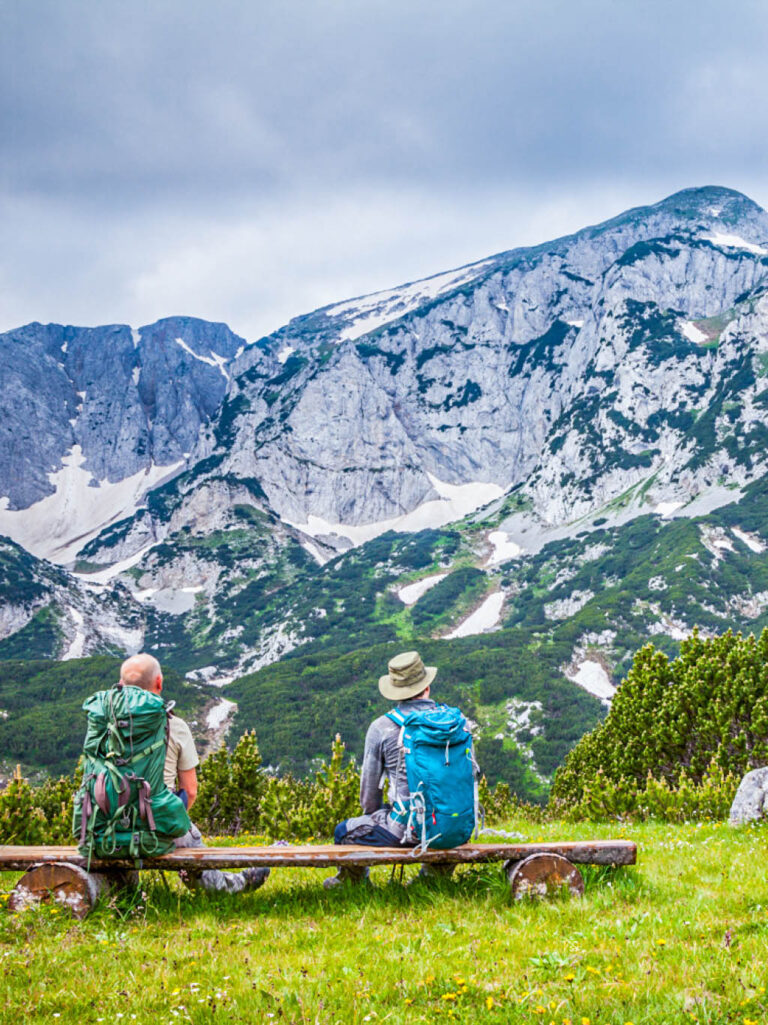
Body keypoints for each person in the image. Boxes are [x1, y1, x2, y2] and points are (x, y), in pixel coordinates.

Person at [119, 653, 269, 894]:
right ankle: (235, 885)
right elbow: (190, 791)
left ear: (121, 684)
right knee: (190, 847)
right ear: (159, 682)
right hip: (157, 822)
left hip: (107, 824)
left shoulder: (103, 724)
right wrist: (171, 819)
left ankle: (123, 887)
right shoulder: (173, 725)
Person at [324, 650, 454, 889]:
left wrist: (376, 814)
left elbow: (369, 795)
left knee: (343, 831)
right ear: (427, 687)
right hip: (453, 826)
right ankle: (435, 878)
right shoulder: (456, 723)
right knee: (440, 824)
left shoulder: (382, 727)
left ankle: (353, 883)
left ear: (396, 692)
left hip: (407, 830)